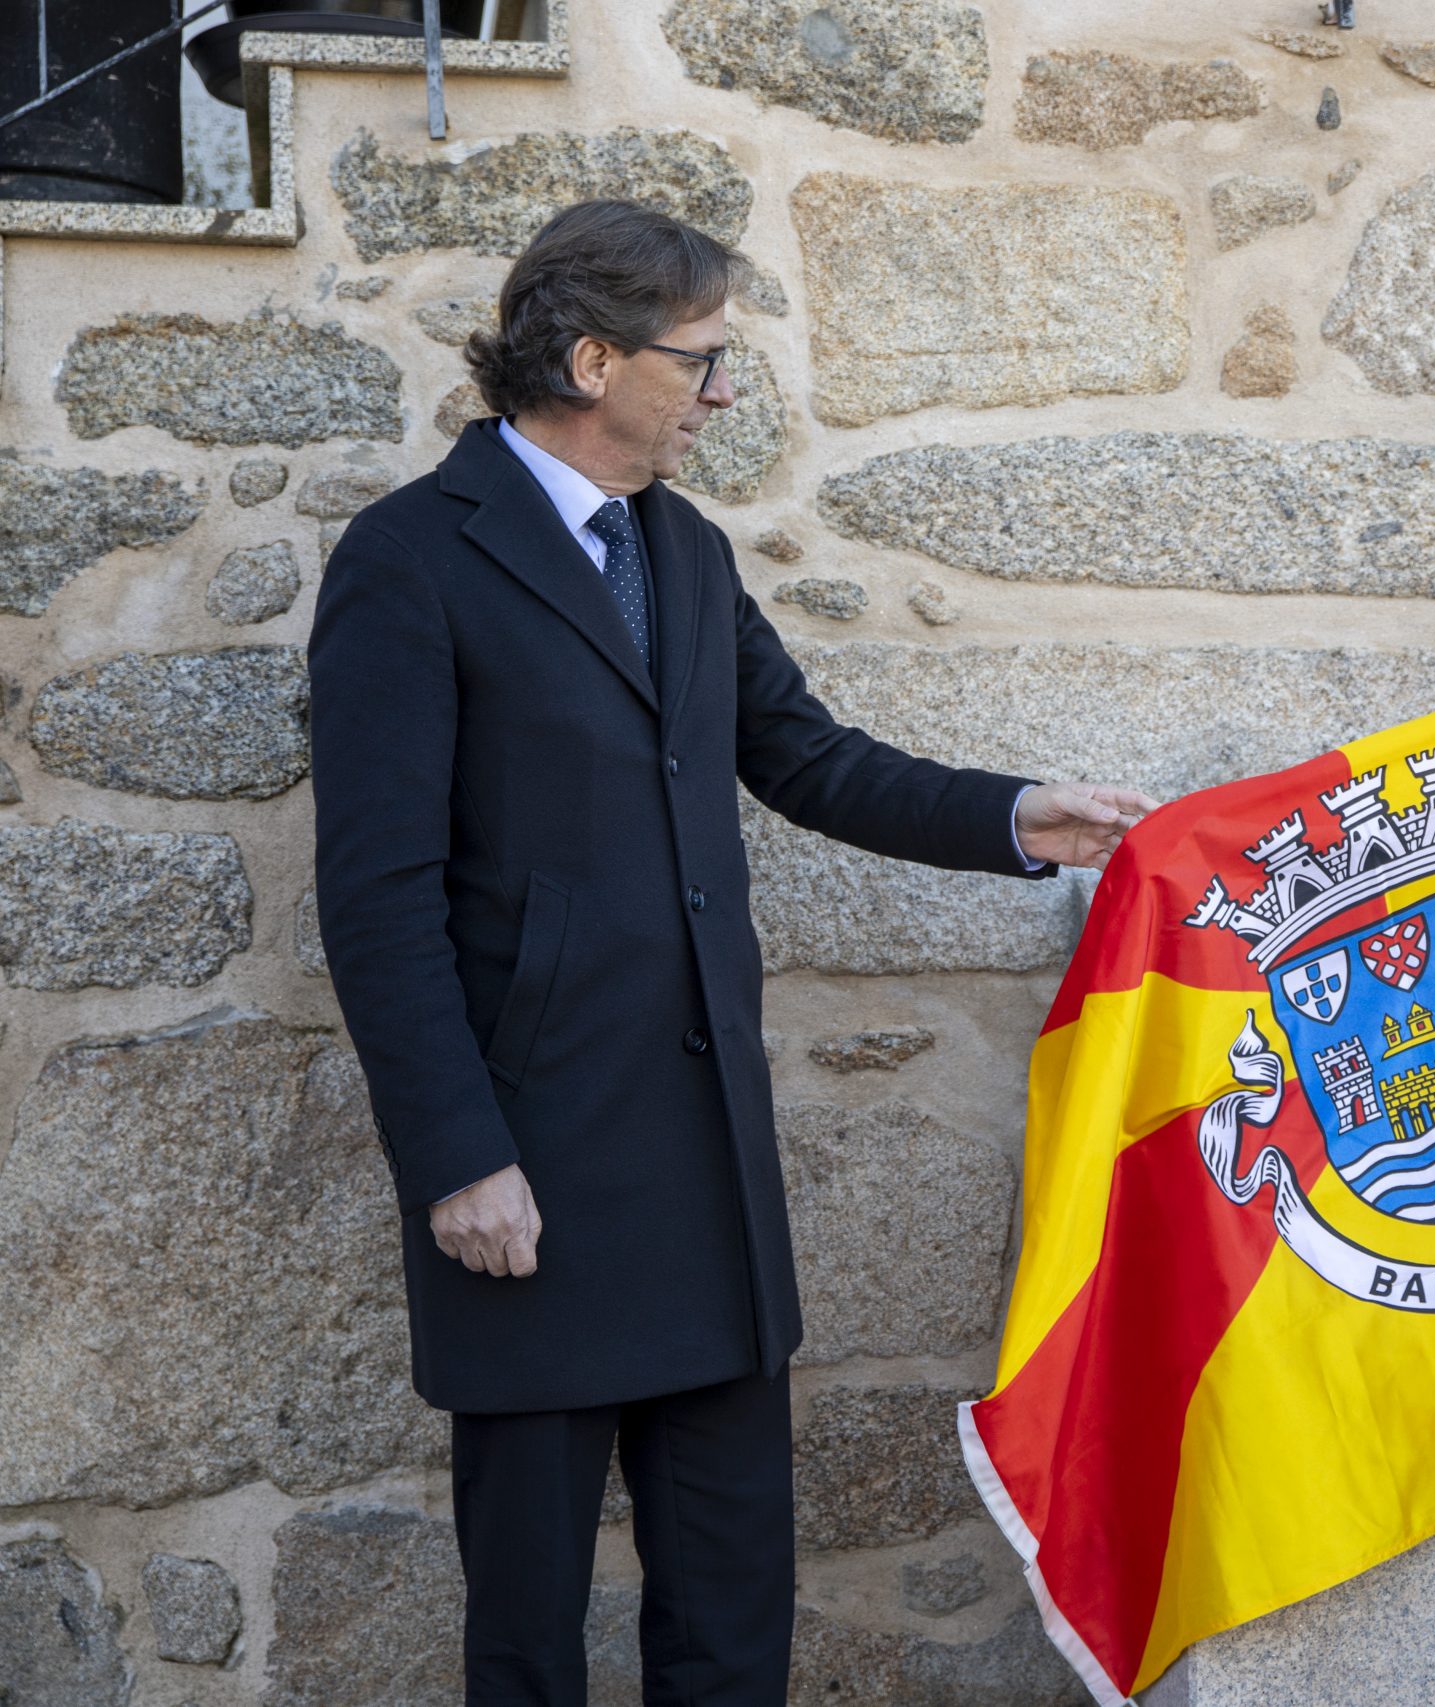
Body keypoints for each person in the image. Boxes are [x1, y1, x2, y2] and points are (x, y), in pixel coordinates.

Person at [309, 198, 1155, 1706]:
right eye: (700, 361)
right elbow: (378, 897)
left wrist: (1023, 815)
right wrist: (458, 1159)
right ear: (589, 359)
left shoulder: (681, 549)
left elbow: (809, 757)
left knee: (730, 1629)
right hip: (533, 1179)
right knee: (528, 1646)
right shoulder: (410, 562)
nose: (720, 393)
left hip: (705, 1179)